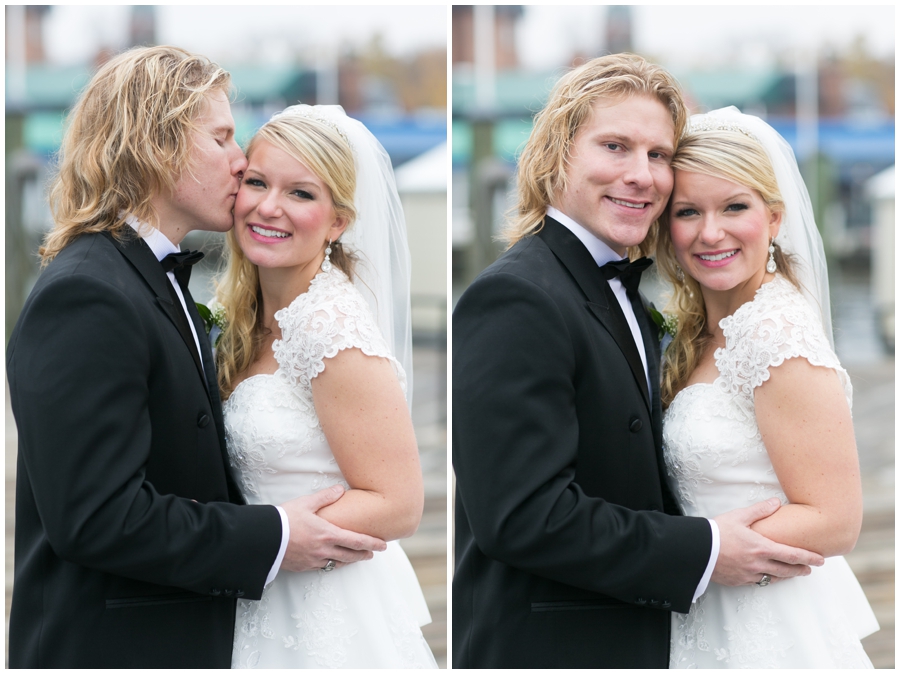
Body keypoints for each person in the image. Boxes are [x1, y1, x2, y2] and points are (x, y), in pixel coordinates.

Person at [6, 46, 386, 669]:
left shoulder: (149, 278)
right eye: (221, 137)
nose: (241, 163)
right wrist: (277, 534)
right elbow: (97, 518)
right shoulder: (86, 294)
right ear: (157, 143)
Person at [452, 54, 826, 669]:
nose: (641, 175)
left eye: (658, 156)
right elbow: (522, 517)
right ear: (557, 153)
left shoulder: (624, 291)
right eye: (615, 147)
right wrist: (703, 549)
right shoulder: (517, 296)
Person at [215, 104, 437, 668]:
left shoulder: (330, 326)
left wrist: (263, 539)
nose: (269, 207)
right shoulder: (240, 313)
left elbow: (398, 505)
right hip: (253, 589)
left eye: (301, 194)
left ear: (338, 222)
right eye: (258, 182)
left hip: (323, 611)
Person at [657, 106, 879, 668]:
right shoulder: (699, 327)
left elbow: (834, 518)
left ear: (774, 218)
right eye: (688, 212)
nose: (712, 232)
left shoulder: (774, 331)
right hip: (701, 605)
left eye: (735, 207)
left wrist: (695, 554)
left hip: (765, 620)